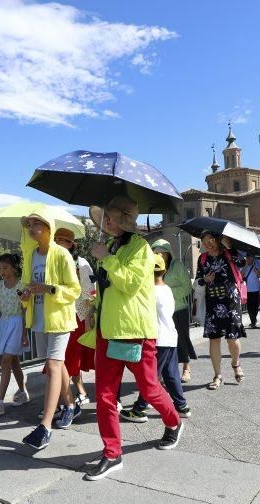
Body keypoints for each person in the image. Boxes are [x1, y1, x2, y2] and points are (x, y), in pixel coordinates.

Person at [83, 195, 182, 482]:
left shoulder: (141, 248)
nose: (106, 222)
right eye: (105, 218)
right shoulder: (113, 246)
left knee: (149, 389)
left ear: (123, 220)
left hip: (134, 332)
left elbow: (130, 284)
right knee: (103, 395)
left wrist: (107, 259)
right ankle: (112, 453)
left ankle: (174, 422)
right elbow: (112, 287)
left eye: (110, 218)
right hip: (107, 330)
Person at [19, 209, 81, 451]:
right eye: (30, 224)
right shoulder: (30, 254)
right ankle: (71, 403)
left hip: (59, 319)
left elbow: (74, 290)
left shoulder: (62, 254)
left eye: (37, 223)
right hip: (39, 319)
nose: (32, 228)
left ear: (48, 227)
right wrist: (24, 295)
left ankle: (45, 426)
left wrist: (50, 288)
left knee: (53, 366)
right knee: (57, 364)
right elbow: (26, 288)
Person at [120, 253, 191, 422]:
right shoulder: (167, 289)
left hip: (157, 340)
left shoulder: (149, 292)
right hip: (170, 338)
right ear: (164, 271)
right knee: (171, 374)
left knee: (150, 378)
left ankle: (139, 409)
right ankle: (181, 406)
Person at [0, 253, 30, 417]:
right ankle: (23, 392)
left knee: (6, 360)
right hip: (4, 324)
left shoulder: (21, 285)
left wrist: (24, 333)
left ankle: (0, 403)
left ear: (14, 268)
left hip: (16, 324)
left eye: (5, 268)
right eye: (0, 268)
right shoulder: (0, 286)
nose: (1, 271)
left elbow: (24, 310)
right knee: (14, 362)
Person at [196, 230, 246, 390]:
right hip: (212, 301)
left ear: (217, 239)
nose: (207, 243)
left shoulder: (229, 254)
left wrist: (229, 247)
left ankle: (235, 363)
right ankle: (217, 375)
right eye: (204, 241)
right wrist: (204, 279)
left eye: (210, 239)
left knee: (232, 338)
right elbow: (198, 279)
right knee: (214, 339)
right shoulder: (202, 259)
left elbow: (242, 263)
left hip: (231, 301)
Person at [54, 227, 96, 405]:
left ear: (70, 244)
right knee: (66, 357)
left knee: (70, 357)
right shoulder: (53, 262)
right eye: (55, 239)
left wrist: (87, 319)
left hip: (77, 316)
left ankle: (64, 400)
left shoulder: (81, 262)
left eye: (61, 240)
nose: (56, 243)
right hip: (59, 315)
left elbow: (89, 292)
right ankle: (79, 391)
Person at [151, 239, 196, 382]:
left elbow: (187, 287)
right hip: (159, 311)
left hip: (178, 309)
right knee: (163, 342)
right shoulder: (152, 267)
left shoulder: (177, 265)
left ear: (168, 253)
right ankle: (166, 372)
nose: (158, 256)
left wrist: (167, 292)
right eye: (155, 253)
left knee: (182, 339)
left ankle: (186, 368)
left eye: (161, 253)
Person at [243, 254, 260, 329]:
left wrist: (258, 273)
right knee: (249, 307)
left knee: (255, 306)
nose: (249, 260)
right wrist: (245, 265)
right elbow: (241, 275)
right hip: (247, 290)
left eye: (250, 258)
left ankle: (253, 321)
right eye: (248, 258)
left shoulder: (257, 266)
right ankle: (253, 320)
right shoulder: (245, 267)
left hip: (256, 289)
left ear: (253, 259)